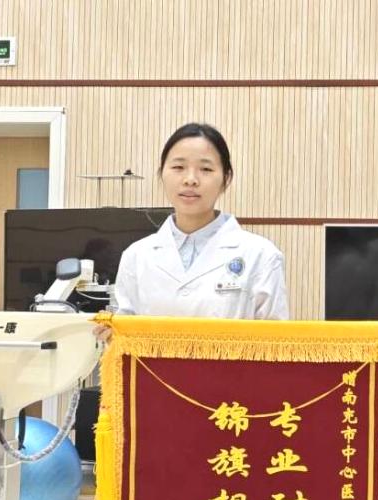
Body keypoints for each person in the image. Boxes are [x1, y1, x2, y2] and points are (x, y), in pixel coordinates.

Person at [97, 122, 288, 342]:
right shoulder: (137, 255)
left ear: (226, 179)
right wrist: (111, 335)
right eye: (178, 167)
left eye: (205, 169)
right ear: (162, 173)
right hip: (152, 366)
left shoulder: (261, 255)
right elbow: (123, 338)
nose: (190, 179)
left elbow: (276, 344)